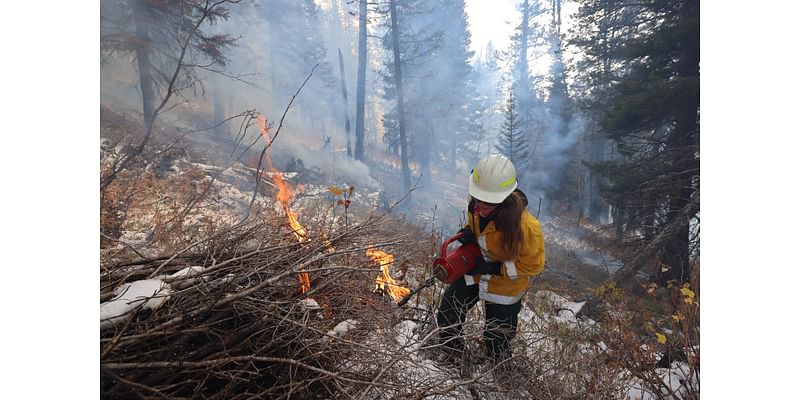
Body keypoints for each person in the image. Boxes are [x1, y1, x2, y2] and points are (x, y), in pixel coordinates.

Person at [435, 154, 546, 366]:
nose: (479, 208)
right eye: (477, 200)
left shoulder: (526, 228)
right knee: (449, 312)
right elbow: (477, 225)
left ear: (503, 199)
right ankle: (452, 358)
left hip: (505, 288)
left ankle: (499, 374)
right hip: (475, 272)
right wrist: (468, 232)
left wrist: (496, 268)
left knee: (497, 338)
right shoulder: (477, 203)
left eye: (486, 204)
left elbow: (533, 265)